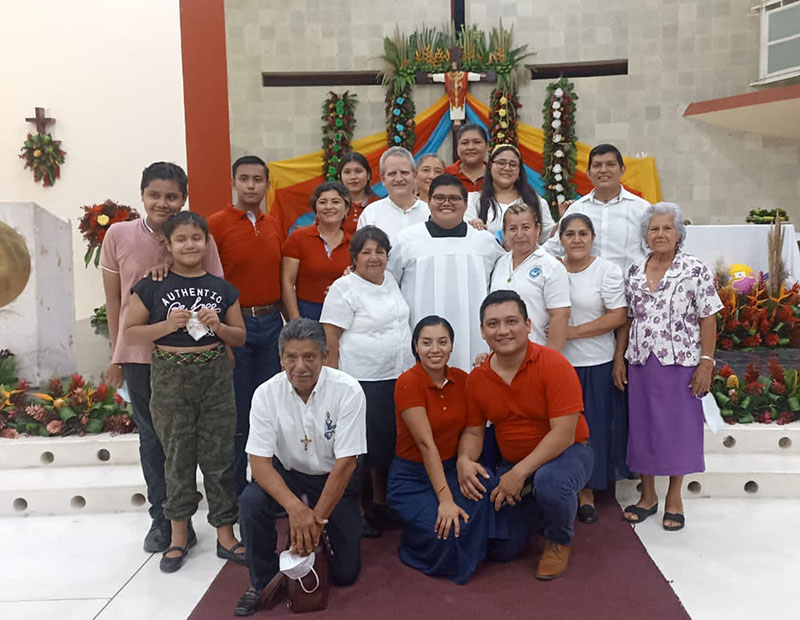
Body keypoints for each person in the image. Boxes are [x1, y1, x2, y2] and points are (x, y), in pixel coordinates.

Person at [100, 162, 223, 553]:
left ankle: (197, 516)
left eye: (171, 196)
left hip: (191, 356)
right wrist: (116, 354)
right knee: (153, 438)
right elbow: (114, 300)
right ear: (142, 195)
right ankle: (163, 519)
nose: (162, 203)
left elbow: (214, 291)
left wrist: (174, 267)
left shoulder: (195, 236)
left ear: (183, 198)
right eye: (154, 195)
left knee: (191, 438)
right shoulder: (118, 234)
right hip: (140, 355)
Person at [124, 211, 246, 572]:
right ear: (168, 244)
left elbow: (240, 336)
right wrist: (165, 325)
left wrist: (219, 327)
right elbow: (131, 333)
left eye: (196, 238)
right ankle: (179, 537)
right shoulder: (151, 285)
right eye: (181, 239)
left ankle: (226, 534)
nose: (189, 244)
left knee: (219, 457)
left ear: (206, 243)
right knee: (176, 458)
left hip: (215, 378)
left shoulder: (222, 288)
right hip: (169, 378)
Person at [235, 319, 366, 617]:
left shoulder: (348, 391)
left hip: (334, 476)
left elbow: (346, 463)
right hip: (288, 473)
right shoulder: (265, 394)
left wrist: (315, 522)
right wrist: (296, 510)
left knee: (346, 574)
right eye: (291, 357)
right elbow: (259, 463)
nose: (300, 366)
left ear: (324, 356)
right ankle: (261, 579)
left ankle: (313, 544)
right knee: (250, 502)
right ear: (281, 359)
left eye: (309, 357)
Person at [459, 290, 593, 580]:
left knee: (550, 482)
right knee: (503, 550)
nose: (503, 331)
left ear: (528, 325)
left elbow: (563, 434)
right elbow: (473, 431)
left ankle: (559, 539)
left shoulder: (554, 365)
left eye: (511, 321)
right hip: (515, 462)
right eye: (493, 324)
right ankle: (542, 509)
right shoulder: (478, 379)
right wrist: (464, 460)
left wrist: (518, 474)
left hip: (569, 454)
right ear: (482, 331)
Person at [615, 203, 722, 531]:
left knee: (679, 429)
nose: (660, 234)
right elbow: (628, 318)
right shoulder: (635, 270)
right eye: (654, 229)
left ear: (679, 234)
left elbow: (708, 317)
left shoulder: (694, 269)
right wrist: (619, 358)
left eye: (667, 228)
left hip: (681, 363)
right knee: (643, 427)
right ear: (645, 235)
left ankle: (674, 497)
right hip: (640, 361)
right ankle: (647, 496)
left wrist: (706, 363)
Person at [320, 225, 414, 537]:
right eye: (367, 252)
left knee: (386, 445)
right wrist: (333, 383)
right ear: (354, 257)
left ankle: (380, 503)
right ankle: (356, 511)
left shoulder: (391, 280)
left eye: (380, 251)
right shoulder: (344, 288)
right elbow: (330, 337)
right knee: (360, 450)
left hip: (396, 376)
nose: (374, 258)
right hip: (361, 380)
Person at [387, 316, 495, 584]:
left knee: (487, 487)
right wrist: (445, 500)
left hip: (451, 469)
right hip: (412, 477)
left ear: (452, 346)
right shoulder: (407, 382)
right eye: (427, 343)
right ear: (416, 347)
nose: (435, 350)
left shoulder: (463, 379)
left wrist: (464, 461)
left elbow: (473, 429)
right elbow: (426, 445)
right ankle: (415, 543)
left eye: (442, 342)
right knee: (447, 530)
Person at [208, 155, 284, 494]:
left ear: (267, 184)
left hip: (271, 325)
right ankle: (236, 491)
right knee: (238, 411)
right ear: (234, 183)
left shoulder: (273, 224)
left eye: (258, 179)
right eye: (244, 179)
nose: (251, 185)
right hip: (235, 328)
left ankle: (270, 488)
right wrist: (221, 336)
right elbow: (209, 281)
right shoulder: (216, 224)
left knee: (271, 407)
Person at [389, 174, 504, 372]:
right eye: (439, 198)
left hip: (474, 337)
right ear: (429, 202)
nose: (446, 203)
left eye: (454, 198)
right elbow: (388, 282)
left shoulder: (484, 241)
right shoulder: (406, 240)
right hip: (420, 332)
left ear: (466, 204)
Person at [559, 214, 629, 524]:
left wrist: (573, 333)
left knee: (591, 431)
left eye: (582, 234)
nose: (576, 239)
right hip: (559, 363)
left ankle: (586, 491)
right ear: (561, 239)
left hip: (594, 362)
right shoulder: (551, 268)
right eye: (570, 234)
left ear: (592, 237)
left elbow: (618, 316)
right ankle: (559, 486)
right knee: (560, 430)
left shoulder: (606, 271)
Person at [543, 143, 650, 273]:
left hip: (628, 284)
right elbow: (552, 249)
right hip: (584, 284)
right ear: (588, 173)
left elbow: (653, 251)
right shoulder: (577, 209)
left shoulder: (642, 209)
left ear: (622, 170)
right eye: (597, 165)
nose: (603, 170)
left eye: (610, 164)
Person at [490, 203, 570, 352]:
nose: (519, 234)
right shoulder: (499, 263)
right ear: (504, 233)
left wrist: (550, 360)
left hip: (537, 353)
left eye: (526, 227)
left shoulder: (551, 266)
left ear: (537, 229)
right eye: (513, 229)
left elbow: (560, 316)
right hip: (502, 355)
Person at [281, 181, 352, 321]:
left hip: (343, 314)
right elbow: (287, 282)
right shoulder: (297, 238)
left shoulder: (354, 244)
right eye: (322, 202)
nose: (329, 207)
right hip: (306, 313)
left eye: (336, 202)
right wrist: (295, 319)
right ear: (315, 209)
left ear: (346, 209)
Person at [465, 143, 555, 243]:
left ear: (519, 170)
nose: (507, 168)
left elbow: (548, 236)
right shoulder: (474, 200)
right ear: (490, 166)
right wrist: (475, 226)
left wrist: (565, 218)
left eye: (513, 164)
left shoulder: (535, 200)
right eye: (501, 163)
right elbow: (466, 233)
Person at [357, 147, 429, 244]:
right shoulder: (370, 214)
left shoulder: (430, 213)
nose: (398, 178)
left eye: (404, 172)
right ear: (383, 179)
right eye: (392, 174)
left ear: (414, 176)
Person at [338, 151, 379, 235]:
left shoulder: (379, 205)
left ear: (368, 175)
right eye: (347, 172)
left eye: (358, 171)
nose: (353, 177)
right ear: (340, 177)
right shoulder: (333, 206)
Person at [444, 124, 488, 193]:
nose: (470, 147)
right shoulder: (446, 174)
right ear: (457, 148)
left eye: (477, 142)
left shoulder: (496, 174)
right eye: (464, 143)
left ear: (487, 147)